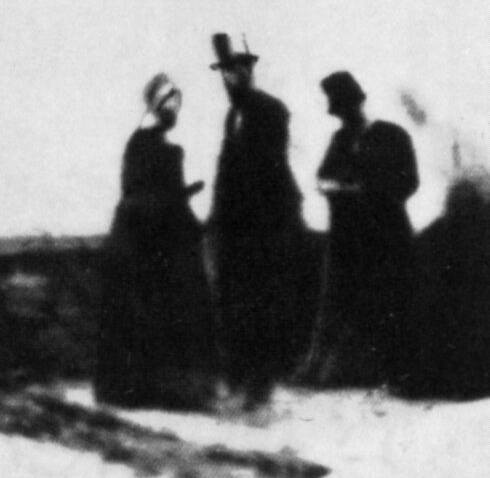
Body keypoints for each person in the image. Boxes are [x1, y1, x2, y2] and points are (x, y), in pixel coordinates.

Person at [94, 72, 214, 410]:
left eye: (177, 104)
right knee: (155, 308)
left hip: (148, 234)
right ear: (156, 107)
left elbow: (157, 193)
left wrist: (181, 199)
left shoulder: (152, 145)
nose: (174, 111)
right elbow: (144, 192)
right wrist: (181, 203)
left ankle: (154, 388)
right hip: (146, 239)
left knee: (156, 311)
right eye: (169, 104)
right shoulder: (149, 146)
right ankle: (152, 389)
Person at [206, 34, 310, 411]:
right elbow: (226, 172)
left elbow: (266, 168)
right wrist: (217, 216)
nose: (231, 78)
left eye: (237, 70)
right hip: (235, 228)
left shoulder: (269, 110)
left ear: (249, 71)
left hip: (264, 226)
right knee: (234, 304)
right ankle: (239, 380)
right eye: (225, 72)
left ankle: (258, 387)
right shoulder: (232, 116)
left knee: (262, 304)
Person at [299, 69, 420, 389]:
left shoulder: (392, 136)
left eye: (344, 108)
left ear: (357, 104)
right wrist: (337, 187)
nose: (341, 116)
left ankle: (397, 376)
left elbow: (409, 182)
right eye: (338, 111)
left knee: (390, 304)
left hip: (387, 237)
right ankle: (317, 370)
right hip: (347, 239)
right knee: (334, 302)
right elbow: (322, 178)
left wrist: (361, 190)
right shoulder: (339, 139)